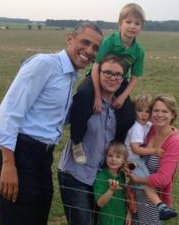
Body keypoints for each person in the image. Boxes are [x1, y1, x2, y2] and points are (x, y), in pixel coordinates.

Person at [0, 22, 103, 225]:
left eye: (95, 48)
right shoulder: (44, 64)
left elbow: (53, 116)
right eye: (85, 42)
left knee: (37, 217)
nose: (90, 51)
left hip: (42, 158)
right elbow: (8, 113)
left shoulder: (69, 75)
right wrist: (8, 164)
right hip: (19, 153)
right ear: (70, 39)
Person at [58, 54, 131, 225]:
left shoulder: (121, 109)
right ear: (97, 74)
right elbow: (56, 118)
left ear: (122, 79)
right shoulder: (84, 100)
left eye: (117, 74)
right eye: (107, 73)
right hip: (76, 174)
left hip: (103, 177)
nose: (112, 78)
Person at [70, 3, 145, 164]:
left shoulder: (139, 51)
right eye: (128, 22)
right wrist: (97, 96)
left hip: (119, 80)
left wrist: (123, 97)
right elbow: (96, 66)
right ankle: (76, 141)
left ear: (141, 27)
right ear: (120, 23)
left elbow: (135, 76)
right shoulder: (110, 41)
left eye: (137, 23)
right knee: (83, 96)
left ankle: (114, 149)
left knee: (128, 116)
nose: (132, 26)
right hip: (98, 75)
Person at [126, 94, 179, 225]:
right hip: (134, 196)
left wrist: (138, 179)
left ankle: (162, 208)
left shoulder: (174, 142)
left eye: (164, 111)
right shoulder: (149, 129)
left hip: (151, 203)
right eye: (156, 110)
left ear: (173, 114)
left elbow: (163, 179)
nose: (159, 115)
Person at [93, 142, 131, 225]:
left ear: (124, 160)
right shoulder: (101, 176)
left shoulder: (123, 176)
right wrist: (111, 190)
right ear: (105, 157)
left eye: (118, 157)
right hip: (106, 221)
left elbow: (126, 197)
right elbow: (100, 203)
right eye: (110, 155)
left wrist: (128, 213)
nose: (113, 159)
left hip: (121, 219)